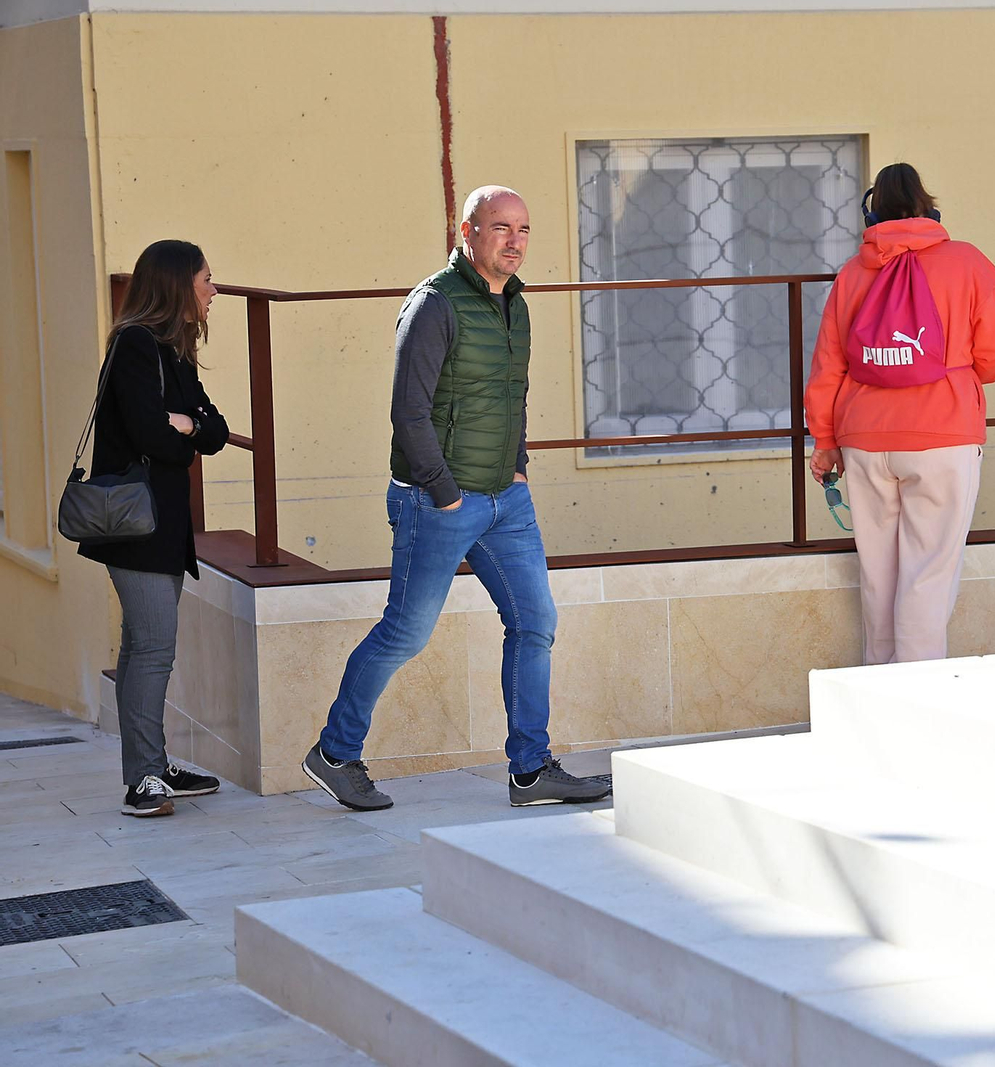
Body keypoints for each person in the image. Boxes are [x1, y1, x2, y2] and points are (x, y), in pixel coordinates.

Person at [302, 185, 612, 812]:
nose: (515, 241)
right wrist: (443, 493)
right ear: (467, 232)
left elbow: (512, 397)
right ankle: (335, 753)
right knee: (406, 634)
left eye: (523, 229)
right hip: (436, 501)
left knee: (535, 623)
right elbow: (408, 412)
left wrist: (518, 467)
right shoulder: (434, 304)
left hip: (506, 499)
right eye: (501, 228)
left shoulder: (514, 307)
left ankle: (530, 769)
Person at [804, 163, 995, 665]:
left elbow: (828, 363)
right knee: (928, 574)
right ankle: (917, 702)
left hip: (862, 438)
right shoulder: (967, 262)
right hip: (942, 435)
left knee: (879, 577)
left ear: (872, 210)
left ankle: (876, 695)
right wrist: (961, 376)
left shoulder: (854, 272)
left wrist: (824, 439)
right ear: (929, 207)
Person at [81, 240, 230, 816]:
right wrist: (185, 431)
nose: (214, 291)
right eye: (207, 281)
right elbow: (150, 436)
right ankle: (141, 779)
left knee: (153, 648)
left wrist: (186, 423)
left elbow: (214, 433)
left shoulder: (172, 350)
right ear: (177, 286)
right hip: (134, 525)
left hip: (162, 524)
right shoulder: (135, 345)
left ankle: (154, 764)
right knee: (150, 648)